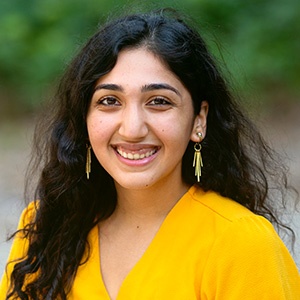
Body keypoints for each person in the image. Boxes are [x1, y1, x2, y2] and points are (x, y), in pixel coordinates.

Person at [1, 8, 299, 300]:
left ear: (199, 120)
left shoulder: (240, 244)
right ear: (85, 120)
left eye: (158, 101)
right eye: (109, 100)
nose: (132, 129)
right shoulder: (47, 228)